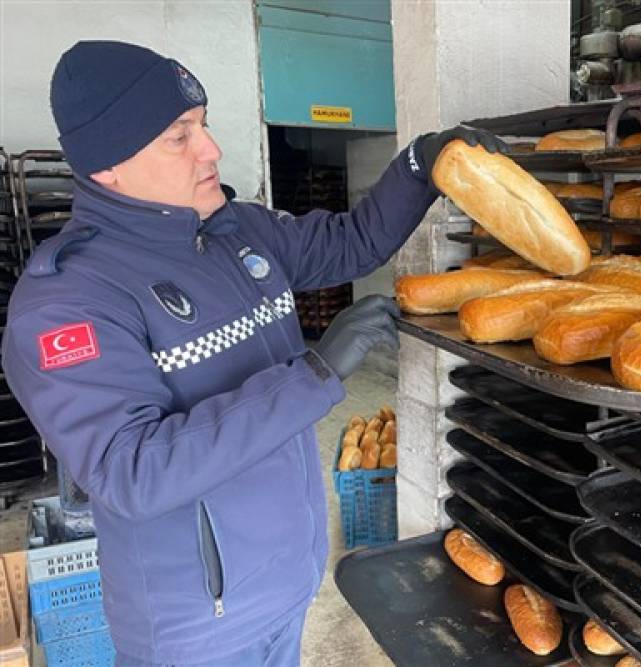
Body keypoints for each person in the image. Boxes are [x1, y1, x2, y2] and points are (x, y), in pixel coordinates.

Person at [2, 40, 505, 666]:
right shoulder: (69, 300)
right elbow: (131, 469)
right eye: (178, 137)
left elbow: (354, 242)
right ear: (108, 165)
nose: (211, 148)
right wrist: (315, 374)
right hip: (198, 626)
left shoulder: (234, 231)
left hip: (287, 585)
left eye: (202, 124)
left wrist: (420, 164)